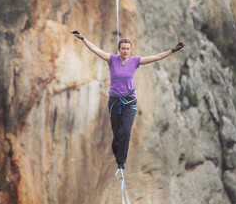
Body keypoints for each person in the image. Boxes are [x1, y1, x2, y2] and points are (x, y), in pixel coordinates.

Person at [70, 30, 186, 170]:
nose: (125, 51)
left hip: (130, 101)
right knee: (117, 132)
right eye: (123, 48)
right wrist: (83, 38)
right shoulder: (112, 59)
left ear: (131, 50)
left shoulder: (135, 61)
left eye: (128, 49)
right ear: (119, 49)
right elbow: (95, 49)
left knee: (125, 131)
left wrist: (173, 50)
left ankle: (121, 161)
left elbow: (156, 57)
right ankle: (117, 153)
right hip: (114, 101)